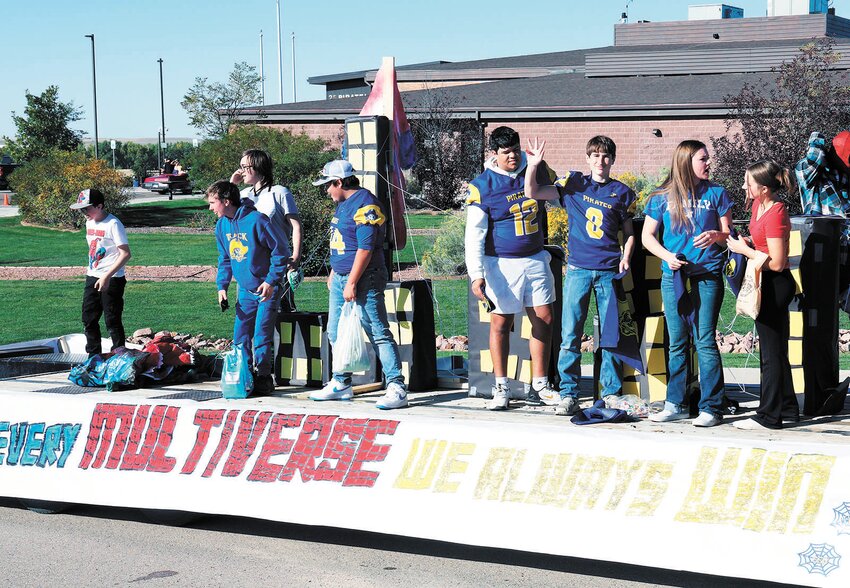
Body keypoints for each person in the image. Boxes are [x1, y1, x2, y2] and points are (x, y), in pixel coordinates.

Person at [525, 136, 636, 416]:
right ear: (587, 159)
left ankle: (610, 392)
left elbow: (630, 232)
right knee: (570, 333)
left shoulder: (622, 193)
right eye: (596, 156)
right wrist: (533, 165)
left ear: (613, 159)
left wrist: (626, 256)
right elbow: (533, 191)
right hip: (578, 270)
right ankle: (569, 393)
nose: (601, 161)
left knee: (610, 335)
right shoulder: (574, 184)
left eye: (606, 156)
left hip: (609, 270)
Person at [464, 126, 557, 411]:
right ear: (494, 154)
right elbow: (474, 234)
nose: (513, 157)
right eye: (506, 152)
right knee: (501, 323)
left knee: (544, 317)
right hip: (501, 263)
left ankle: (540, 382)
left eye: (516, 150)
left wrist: (540, 166)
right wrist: (476, 273)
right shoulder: (483, 184)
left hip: (535, 257)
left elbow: (557, 197)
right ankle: (501, 386)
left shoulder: (534, 170)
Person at [642, 140, 732, 427]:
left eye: (708, 158)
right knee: (678, 341)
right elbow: (647, 237)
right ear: (686, 162)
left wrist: (717, 236)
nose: (709, 163)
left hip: (707, 273)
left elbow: (728, 233)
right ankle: (675, 403)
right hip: (674, 275)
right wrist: (667, 257)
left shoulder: (717, 192)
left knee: (705, 340)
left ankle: (712, 407)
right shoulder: (661, 197)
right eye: (703, 159)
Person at [307, 160, 408, 410]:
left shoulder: (366, 205)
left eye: (328, 185)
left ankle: (396, 386)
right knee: (335, 330)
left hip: (366, 276)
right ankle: (341, 382)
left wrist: (351, 281)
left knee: (376, 329)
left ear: (339, 182)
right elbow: (345, 243)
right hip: (344, 276)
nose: (327, 191)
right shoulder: (343, 205)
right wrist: (335, 271)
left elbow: (365, 248)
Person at [727, 161, 799, 429]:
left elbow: (778, 262)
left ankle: (769, 416)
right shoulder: (758, 206)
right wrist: (745, 242)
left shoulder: (777, 212)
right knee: (776, 351)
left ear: (765, 188)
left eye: (749, 182)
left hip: (775, 284)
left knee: (770, 354)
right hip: (764, 280)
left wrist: (745, 251)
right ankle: (789, 408)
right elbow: (762, 244)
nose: (744, 186)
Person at [208, 180, 289, 395]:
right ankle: (244, 373)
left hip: (265, 289)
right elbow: (225, 258)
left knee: (262, 334)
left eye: (212, 202)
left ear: (226, 201)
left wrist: (271, 280)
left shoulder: (257, 221)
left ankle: (263, 376)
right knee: (241, 334)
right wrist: (222, 286)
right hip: (244, 290)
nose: (210, 207)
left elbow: (280, 251)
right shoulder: (222, 225)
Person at [230, 149, 303, 312]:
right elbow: (224, 213)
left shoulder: (279, 192)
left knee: (281, 312)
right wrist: (232, 185)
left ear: (258, 166)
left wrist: (296, 257)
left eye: (244, 166)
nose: (240, 171)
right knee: (248, 313)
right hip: (249, 265)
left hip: (275, 264)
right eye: (240, 166)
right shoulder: (242, 195)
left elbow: (296, 225)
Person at [70, 188, 132, 357]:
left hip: (112, 279)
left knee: (112, 320)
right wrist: (97, 272)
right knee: (88, 318)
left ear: (99, 206)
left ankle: (119, 357)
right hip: (93, 275)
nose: (84, 213)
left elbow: (125, 254)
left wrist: (107, 275)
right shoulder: (89, 222)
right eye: (81, 209)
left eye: (87, 208)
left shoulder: (113, 224)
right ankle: (93, 357)